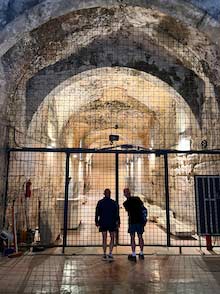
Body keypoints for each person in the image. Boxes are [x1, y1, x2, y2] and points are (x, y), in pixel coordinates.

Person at [95, 188, 120, 261]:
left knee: (104, 238)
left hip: (103, 222)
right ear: (110, 194)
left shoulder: (100, 202)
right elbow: (117, 213)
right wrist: (118, 221)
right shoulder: (114, 202)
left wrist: (96, 221)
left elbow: (97, 212)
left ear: (104, 194)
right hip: (112, 222)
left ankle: (104, 254)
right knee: (112, 237)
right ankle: (110, 253)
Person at [123, 188, 145, 261]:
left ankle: (134, 254)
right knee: (140, 236)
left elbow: (128, 210)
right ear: (130, 192)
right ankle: (141, 253)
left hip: (132, 221)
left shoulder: (125, 203)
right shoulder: (137, 198)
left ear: (125, 194)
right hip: (139, 220)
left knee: (132, 237)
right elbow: (142, 206)